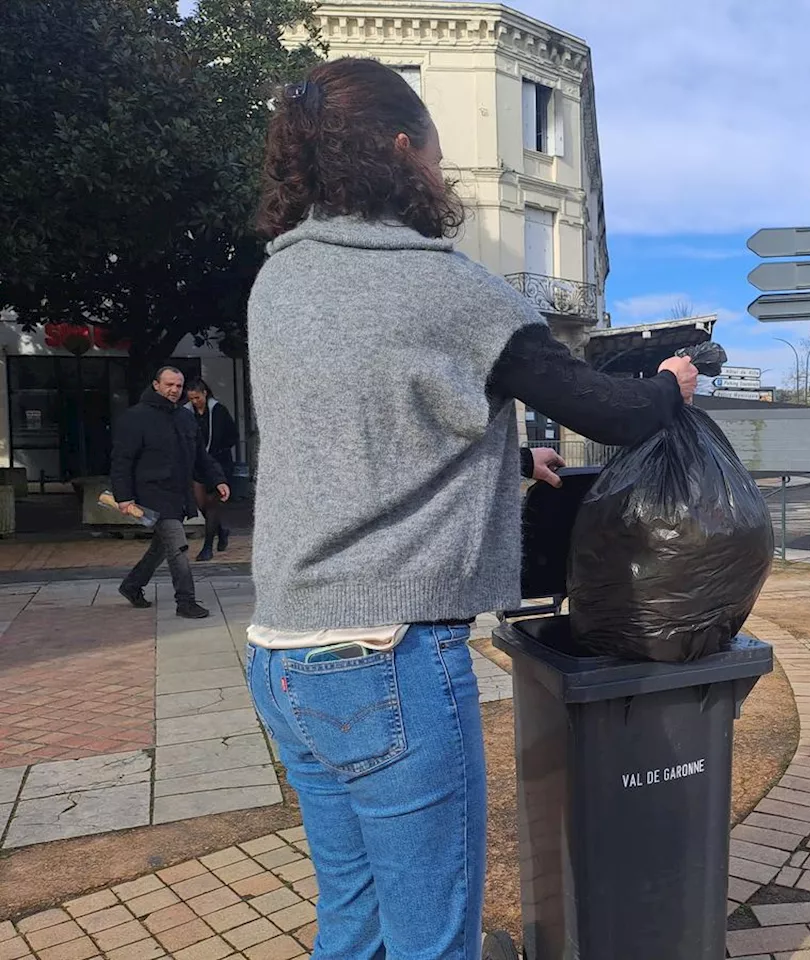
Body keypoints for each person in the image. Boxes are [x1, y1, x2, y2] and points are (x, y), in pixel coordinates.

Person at [245, 58, 698, 960]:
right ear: (403, 152)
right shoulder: (445, 288)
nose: (444, 179)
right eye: (439, 158)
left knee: (355, 926)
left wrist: (503, 452)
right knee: (432, 941)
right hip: (388, 658)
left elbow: (370, 426)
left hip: (284, 657)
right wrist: (672, 385)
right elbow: (605, 410)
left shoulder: (279, 283)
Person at [111, 366, 231, 618]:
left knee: (161, 547)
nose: (174, 390)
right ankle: (185, 601)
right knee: (178, 545)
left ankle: (132, 586)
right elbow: (122, 460)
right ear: (156, 385)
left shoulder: (185, 418)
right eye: (169, 384)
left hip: (178, 493)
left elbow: (200, 455)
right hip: (151, 494)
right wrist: (123, 497)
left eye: (179, 386)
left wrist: (218, 479)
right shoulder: (135, 418)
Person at [185, 378, 239, 560]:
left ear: (205, 393)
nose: (195, 402)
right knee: (201, 504)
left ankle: (207, 547)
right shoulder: (186, 413)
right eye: (191, 398)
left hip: (218, 463)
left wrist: (218, 450)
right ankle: (221, 531)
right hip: (197, 465)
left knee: (212, 504)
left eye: (197, 397)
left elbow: (233, 435)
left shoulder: (218, 411)